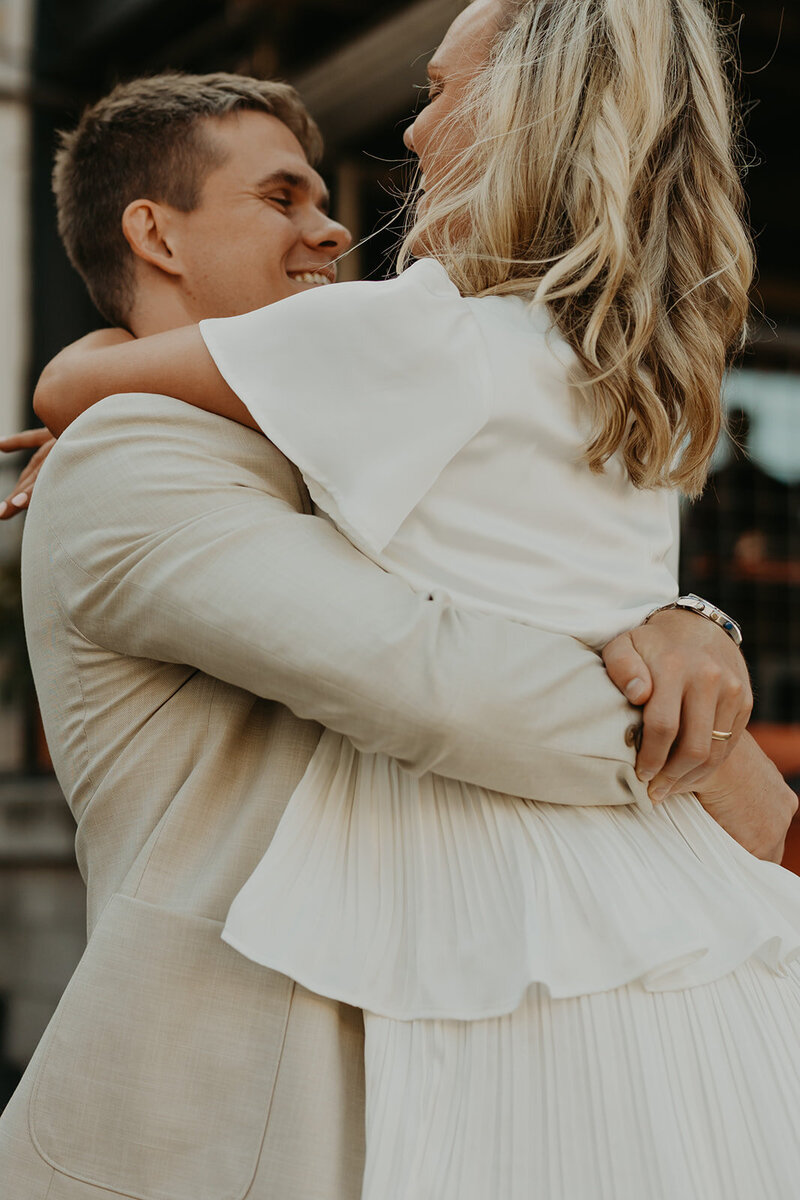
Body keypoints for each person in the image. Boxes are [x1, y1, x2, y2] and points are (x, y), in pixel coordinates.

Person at [28, 1, 800, 1196]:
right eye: (281, 197)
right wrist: (713, 752)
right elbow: (441, 679)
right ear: (155, 234)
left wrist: (681, 620)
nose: (334, 227)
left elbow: (508, 568)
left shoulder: (392, 404)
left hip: (470, 1008)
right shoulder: (134, 455)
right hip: (242, 1101)